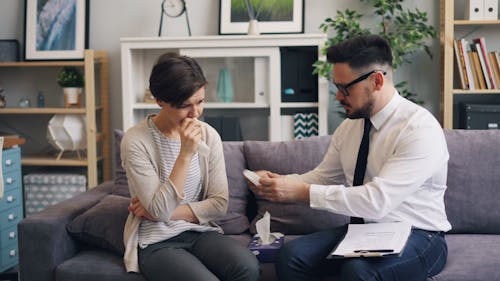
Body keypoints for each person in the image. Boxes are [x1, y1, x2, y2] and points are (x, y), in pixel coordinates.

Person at [248, 34, 451, 281]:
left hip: (420, 234)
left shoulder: (419, 129)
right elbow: (323, 177)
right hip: (366, 231)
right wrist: (278, 183)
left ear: (377, 81)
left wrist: (300, 192)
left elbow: (377, 201)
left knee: (358, 272)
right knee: (291, 255)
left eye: (345, 88)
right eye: (337, 87)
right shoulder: (350, 127)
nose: (338, 96)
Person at [120, 52, 259, 281]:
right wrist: (185, 154)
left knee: (247, 267)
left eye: (200, 102)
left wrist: (164, 214)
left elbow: (219, 203)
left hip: (199, 232)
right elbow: (159, 210)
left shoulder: (208, 135)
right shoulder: (135, 141)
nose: (196, 114)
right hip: (157, 241)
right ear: (160, 101)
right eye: (185, 106)